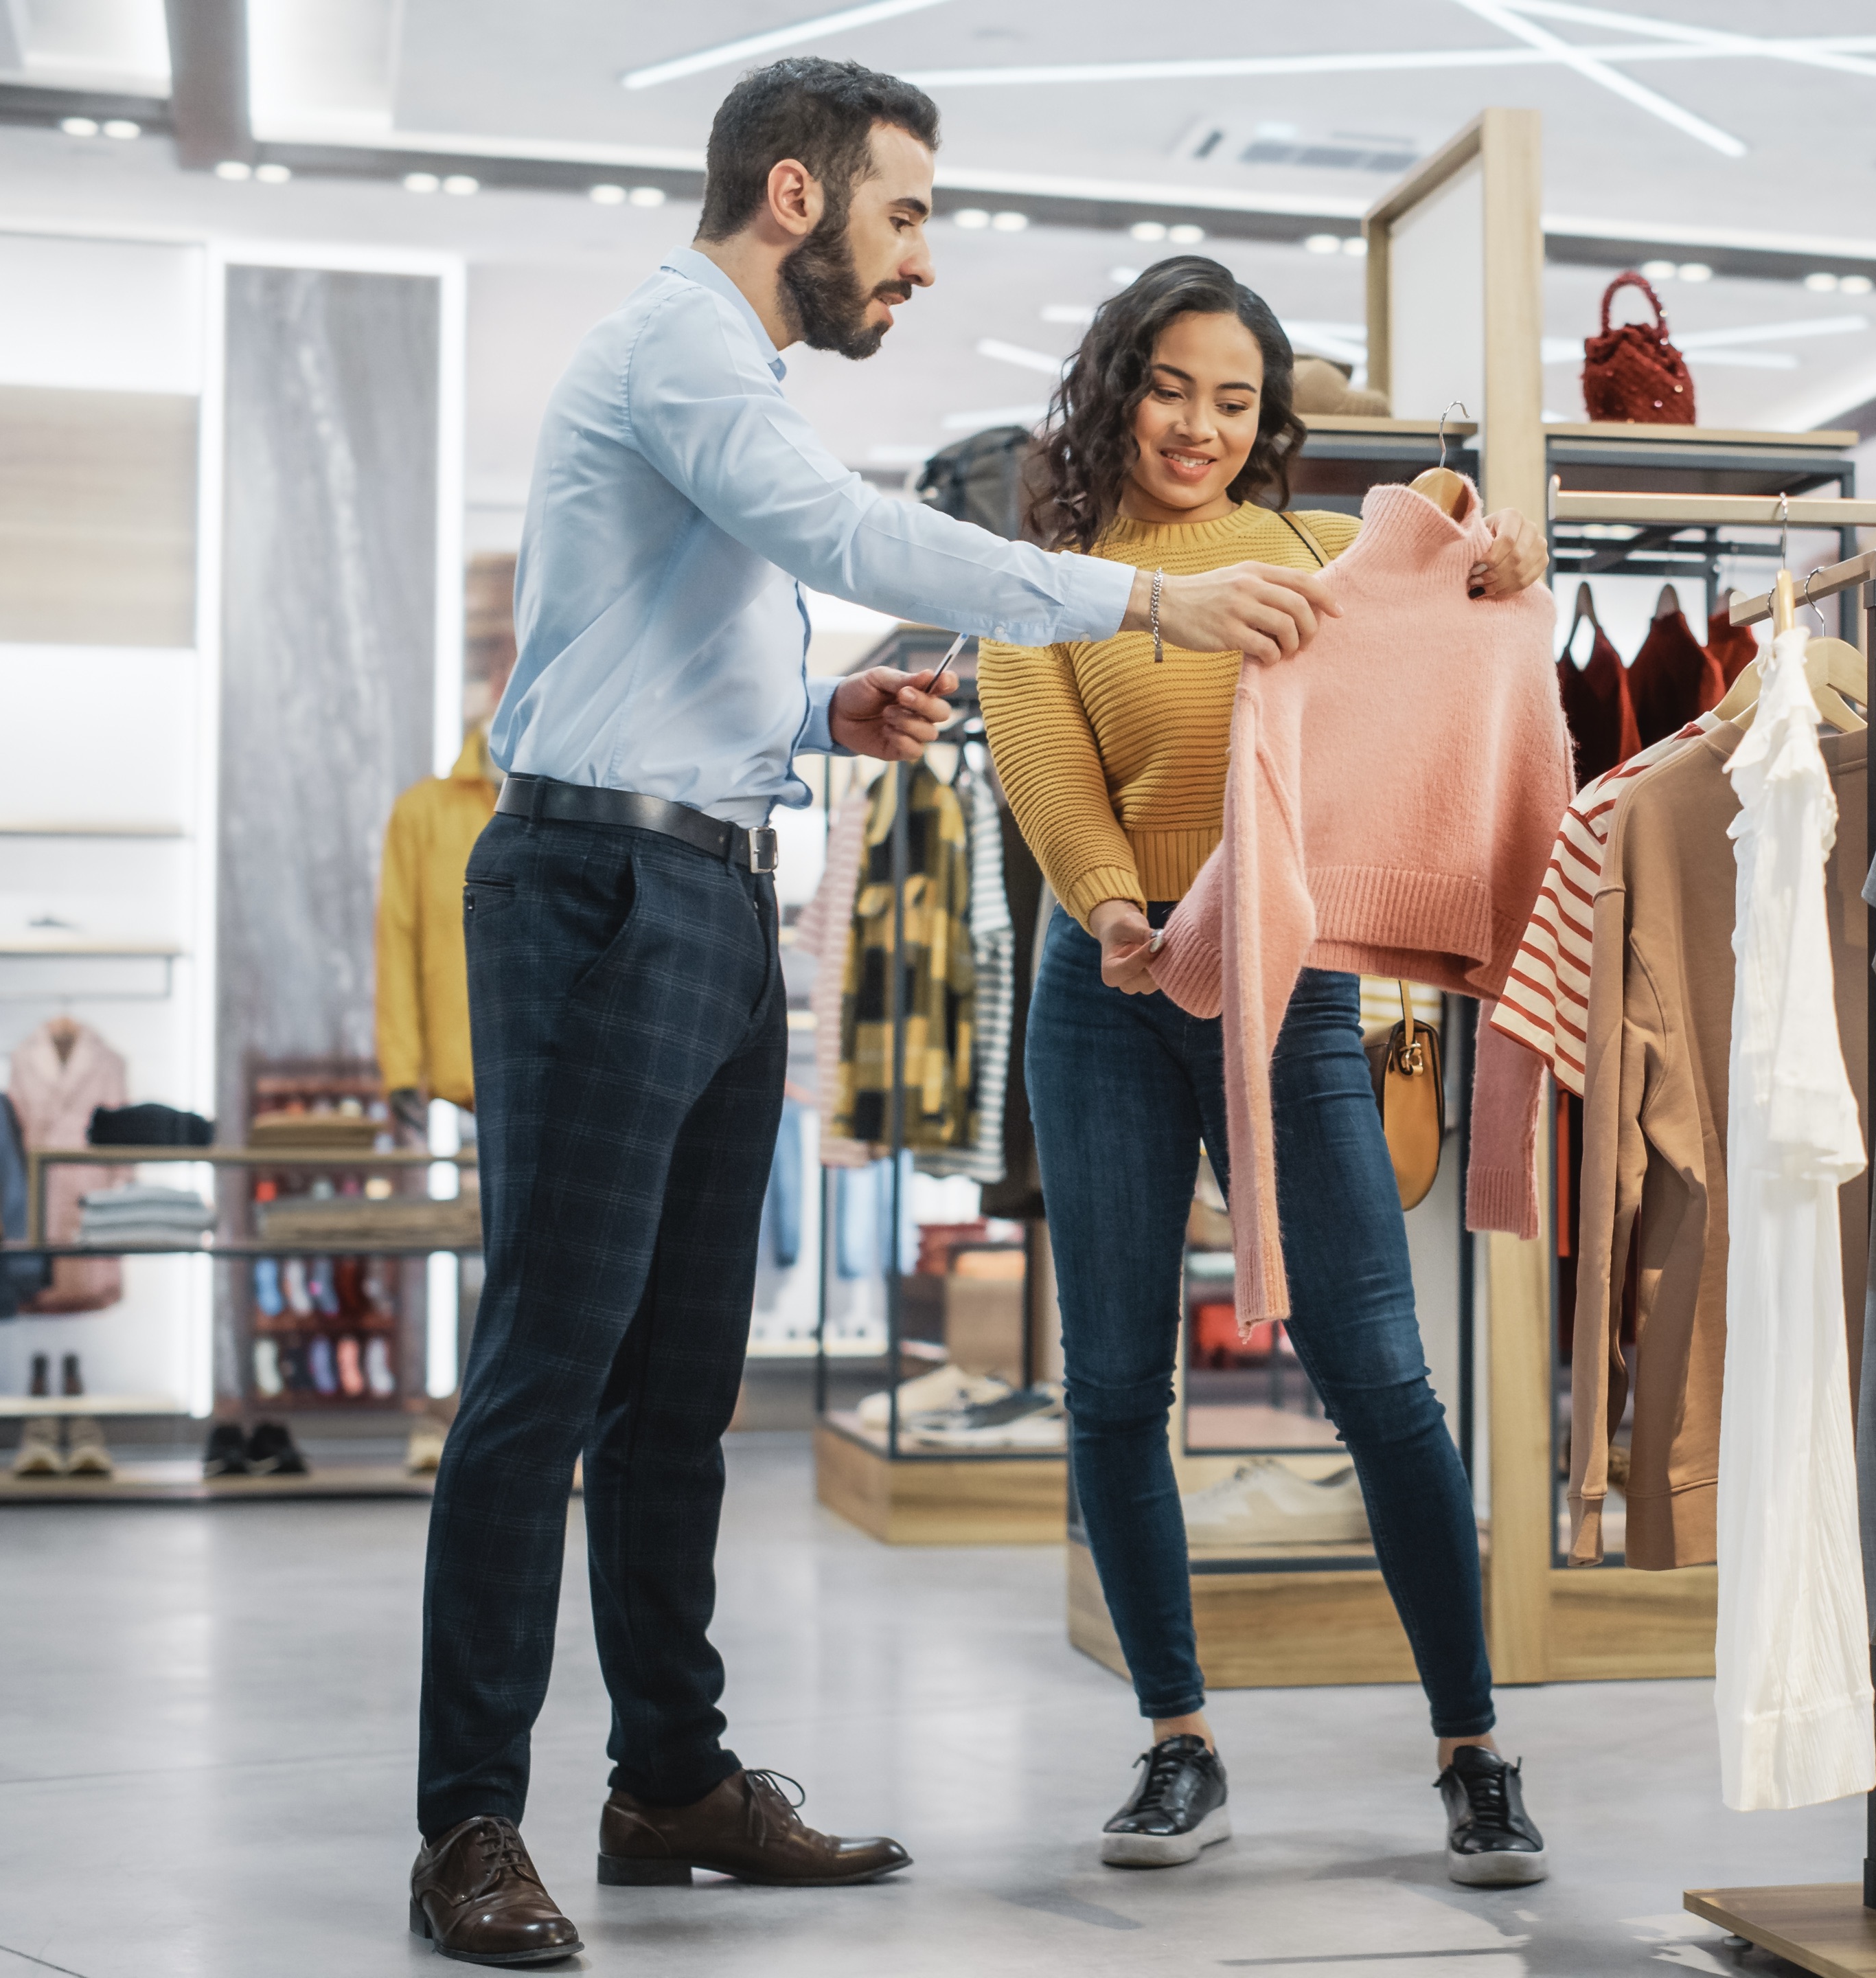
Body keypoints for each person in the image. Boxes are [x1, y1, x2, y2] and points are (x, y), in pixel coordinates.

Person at [408, 62, 1344, 1968]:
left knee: (679, 1389)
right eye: (903, 215)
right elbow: (841, 536)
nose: (919, 257)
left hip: (703, 879)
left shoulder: (721, 374)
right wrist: (1142, 610)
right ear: (791, 194)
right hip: (597, 889)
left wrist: (806, 722)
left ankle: (670, 1778)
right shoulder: (681, 344)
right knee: (546, 1372)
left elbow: (652, 644)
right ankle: (464, 1827)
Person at [978, 257, 1553, 1885]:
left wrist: (1495, 562)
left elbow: (1457, 613)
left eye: (1235, 401)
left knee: (1378, 1369)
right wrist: (1111, 909)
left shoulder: (1309, 555)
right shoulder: (1055, 579)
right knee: (1110, 1382)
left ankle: (1474, 1751)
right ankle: (1176, 1739)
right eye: (1172, 388)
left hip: (1288, 991)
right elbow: (1047, 769)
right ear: (1116, 385)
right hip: (1103, 990)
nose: (1200, 426)